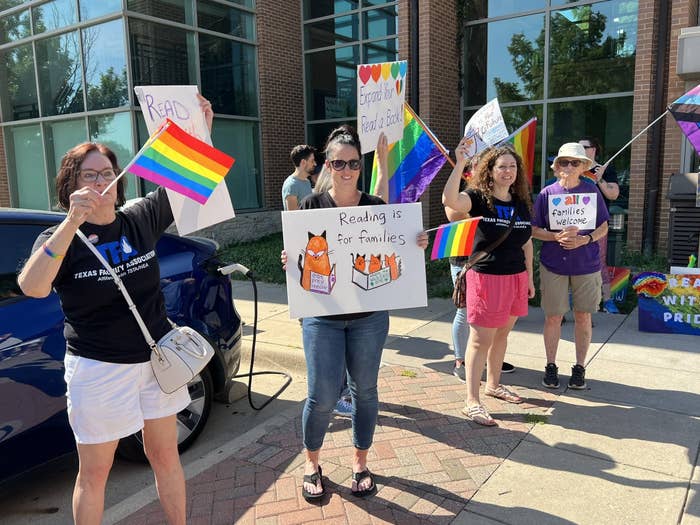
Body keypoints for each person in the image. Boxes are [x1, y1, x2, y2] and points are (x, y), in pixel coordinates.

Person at [17, 96, 214, 525]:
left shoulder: (138, 218)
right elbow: (32, 286)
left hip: (156, 361)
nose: (101, 182)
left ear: (119, 180)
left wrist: (201, 133)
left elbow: (194, 183)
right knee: (95, 473)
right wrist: (72, 222)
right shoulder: (59, 236)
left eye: (107, 173)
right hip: (99, 369)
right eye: (89, 175)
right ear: (72, 185)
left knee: (164, 454)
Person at [282, 126, 427, 500]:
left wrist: (415, 242)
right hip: (322, 318)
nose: (345, 169)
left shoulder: (377, 208)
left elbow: (398, 247)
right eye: (337, 163)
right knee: (322, 396)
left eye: (352, 163)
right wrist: (290, 259)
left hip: (369, 318)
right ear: (326, 165)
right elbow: (300, 260)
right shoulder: (310, 207)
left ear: (359, 165)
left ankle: (360, 462)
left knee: (365, 391)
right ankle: (312, 463)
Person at [442, 141, 534, 426]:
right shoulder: (478, 198)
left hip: (515, 277)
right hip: (486, 278)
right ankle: (472, 401)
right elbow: (450, 201)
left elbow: (527, 241)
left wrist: (529, 277)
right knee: (481, 340)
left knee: (501, 337)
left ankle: (494, 385)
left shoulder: (520, 203)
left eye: (512, 166)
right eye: (502, 166)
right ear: (490, 171)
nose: (508, 171)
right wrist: (458, 163)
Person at [532, 142, 609, 391]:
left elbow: (603, 226)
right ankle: (550, 365)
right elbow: (534, 229)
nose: (569, 166)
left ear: (583, 166)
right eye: (564, 162)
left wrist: (585, 239)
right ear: (557, 166)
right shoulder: (547, 194)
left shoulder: (592, 192)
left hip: (586, 263)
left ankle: (579, 367)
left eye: (574, 162)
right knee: (553, 317)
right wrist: (555, 237)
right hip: (553, 263)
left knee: (583, 316)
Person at [283, 152, 352, 417]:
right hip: (315, 294)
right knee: (321, 349)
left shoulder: (345, 209)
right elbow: (295, 232)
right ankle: (329, 398)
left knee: (339, 347)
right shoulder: (308, 198)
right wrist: (293, 254)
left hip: (335, 290)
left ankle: (339, 394)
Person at [445, 151, 515, 383]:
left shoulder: (495, 196)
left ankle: (488, 357)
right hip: (465, 261)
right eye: (475, 166)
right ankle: (460, 360)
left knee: (492, 316)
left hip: (490, 266)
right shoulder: (468, 195)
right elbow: (455, 214)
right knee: (466, 312)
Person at [579, 136, 621, 314]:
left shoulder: (605, 169)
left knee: (599, 260)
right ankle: (574, 301)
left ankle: (608, 300)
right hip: (575, 221)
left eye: (584, 147)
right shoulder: (573, 168)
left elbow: (613, 195)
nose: (580, 151)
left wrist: (600, 179)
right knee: (573, 261)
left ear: (594, 149)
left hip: (597, 224)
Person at [282, 145, 317, 210]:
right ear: (303, 162)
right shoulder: (291, 185)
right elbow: (293, 216)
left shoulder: (307, 181)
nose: (315, 164)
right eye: (312, 161)